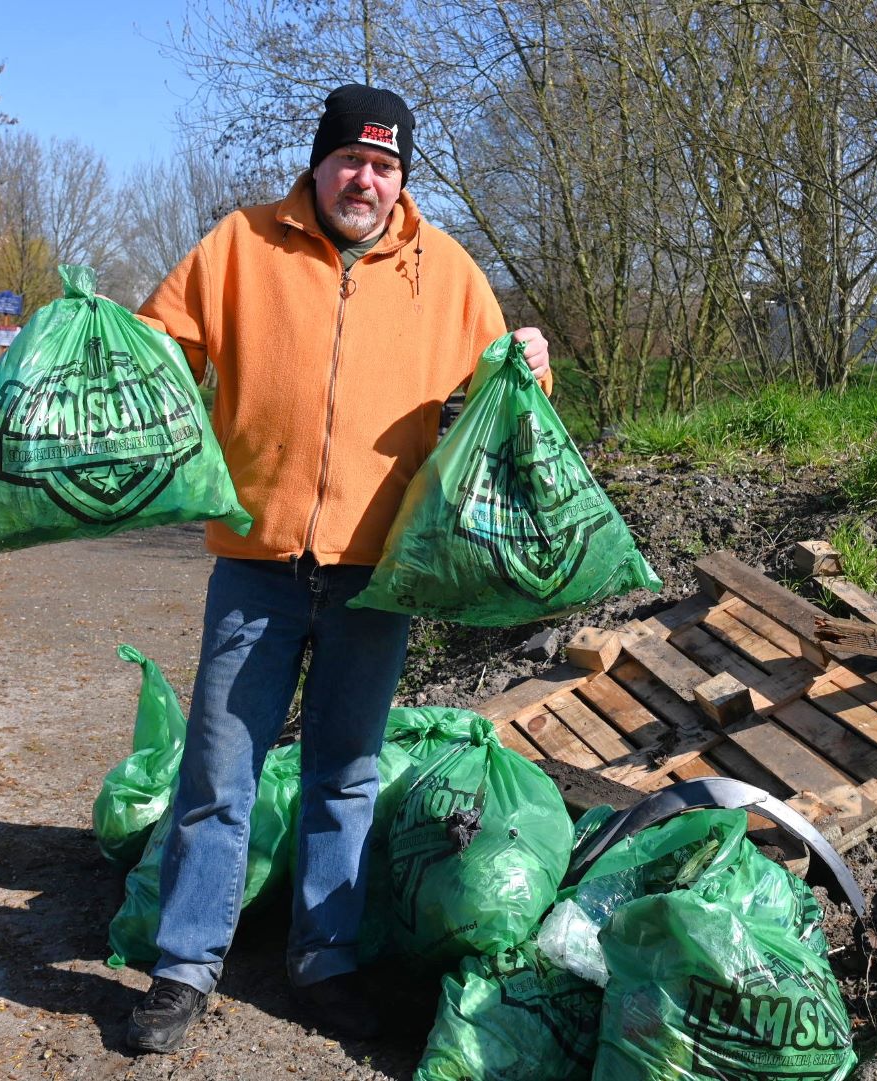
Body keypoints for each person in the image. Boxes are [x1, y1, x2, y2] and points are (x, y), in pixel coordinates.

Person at [122, 83, 552, 1053]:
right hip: (257, 561)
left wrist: (535, 355)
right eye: (352, 160)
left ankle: (325, 960)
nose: (368, 179)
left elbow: (508, 385)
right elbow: (161, 349)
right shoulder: (240, 244)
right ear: (317, 165)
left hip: (378, 571)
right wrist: (112, 342)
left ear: (404, 179)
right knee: (217, 774)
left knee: (344, 774)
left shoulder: (442, 272)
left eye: (387, 166)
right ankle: (185, 967)